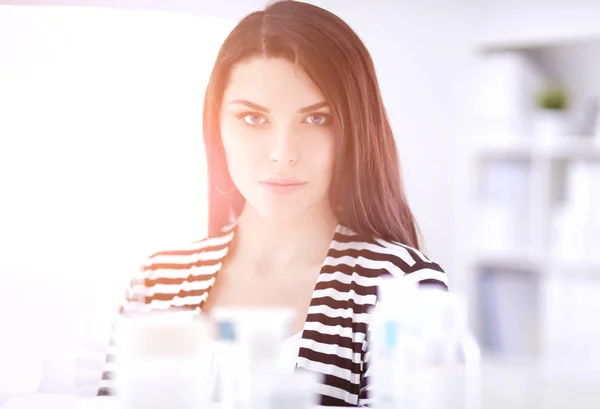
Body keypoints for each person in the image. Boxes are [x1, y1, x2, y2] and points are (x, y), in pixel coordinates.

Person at [97, 0, 448, 406]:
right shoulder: (159, 279)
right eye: (253, 118)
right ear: (216, 126)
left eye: (317, 119)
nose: (283, 153)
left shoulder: (400, 285)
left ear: (354, 129)